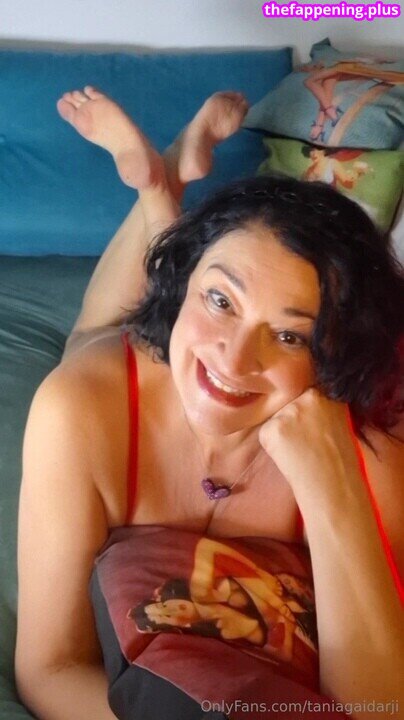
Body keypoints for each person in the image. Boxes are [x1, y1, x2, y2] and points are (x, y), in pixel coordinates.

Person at [14, 87, 403, 720]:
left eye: (290, 335)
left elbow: (381, 708)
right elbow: (47, 668)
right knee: (89, 337)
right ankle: (158, 189)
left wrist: (332, 491)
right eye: (220, 301)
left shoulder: (370, 460)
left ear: (332, 354)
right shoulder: (81, 409)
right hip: (127, 366)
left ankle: (167, 186)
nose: (235, 360)